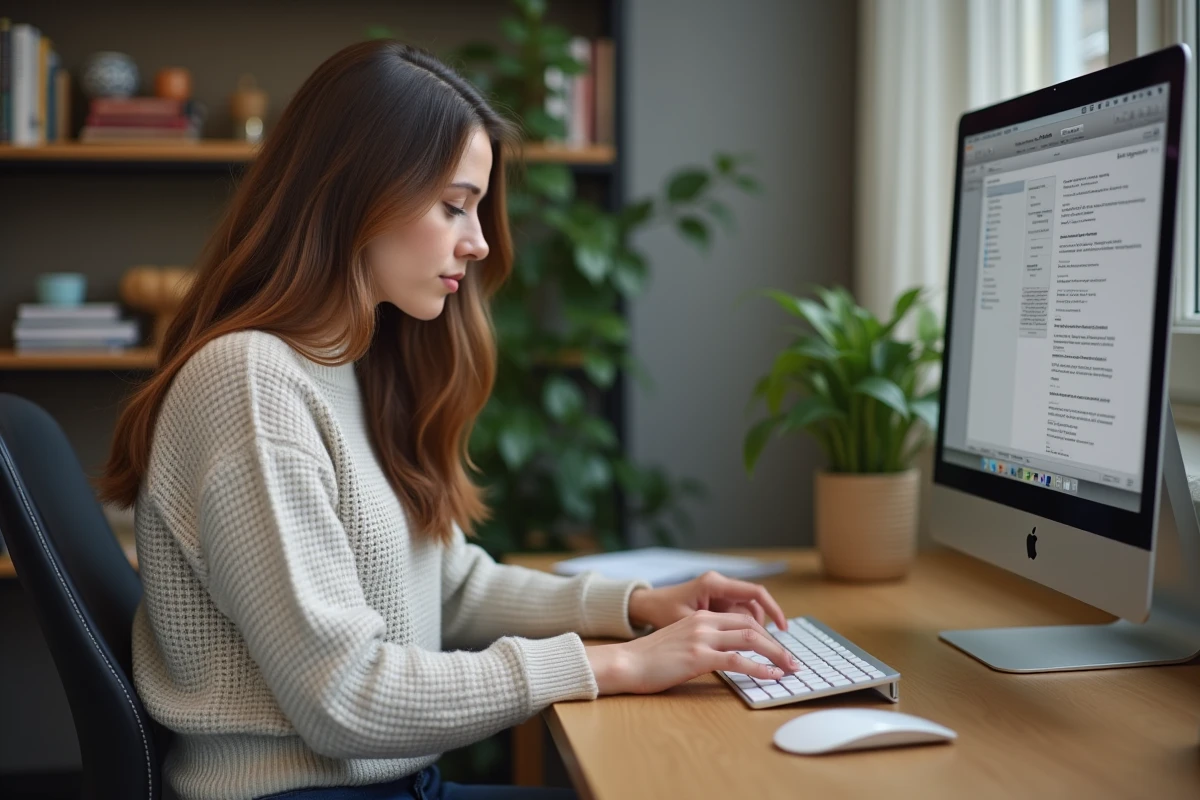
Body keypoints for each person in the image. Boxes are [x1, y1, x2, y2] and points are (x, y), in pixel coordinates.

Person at [98, 40, 799, 800]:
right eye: (453, 205)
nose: (482, 241)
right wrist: (615, 663)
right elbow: (345, 697)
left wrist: (632, 607)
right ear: (357, 192)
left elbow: (446, 586)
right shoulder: (250, 383)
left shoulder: (350, 365)